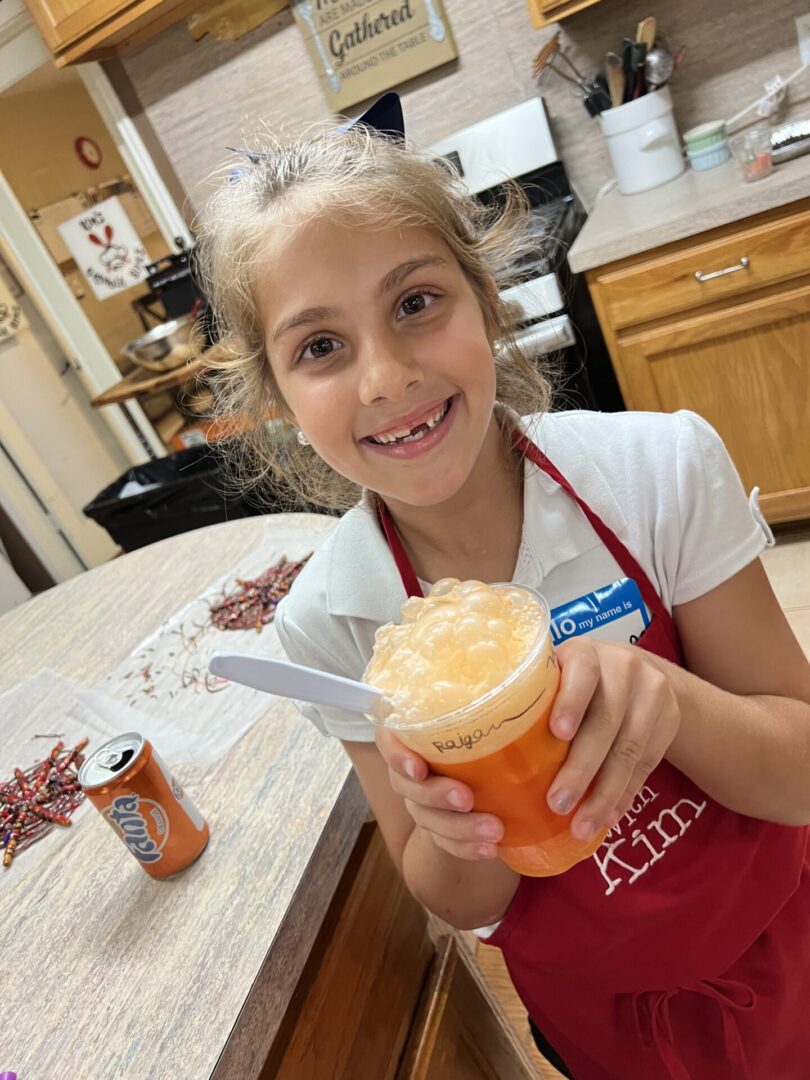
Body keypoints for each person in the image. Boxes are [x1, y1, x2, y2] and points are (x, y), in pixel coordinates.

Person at [195, 95, 810, 1079]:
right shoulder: (335, 620)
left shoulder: (657, 473)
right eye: (320, 347)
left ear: (485, 297)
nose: (387, 377)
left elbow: (801, 773)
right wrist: (454, 826)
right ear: (276, 398)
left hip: (787, 955)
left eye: (414, 303)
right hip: (607, 1023)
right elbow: (462, 902)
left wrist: (674, 705)